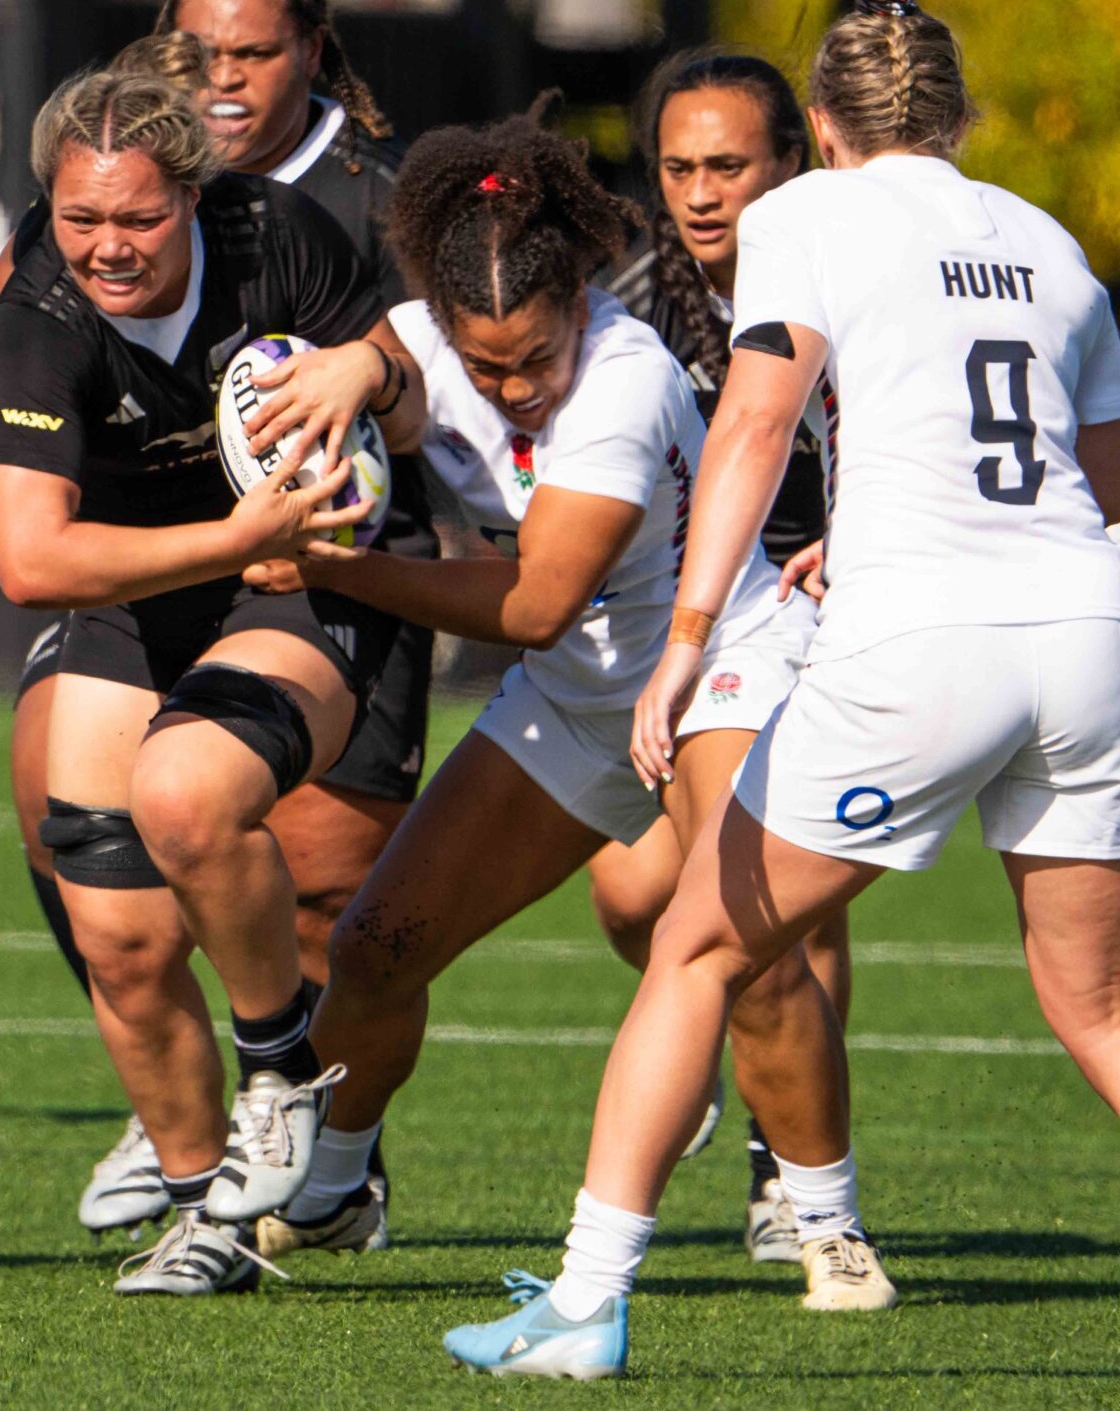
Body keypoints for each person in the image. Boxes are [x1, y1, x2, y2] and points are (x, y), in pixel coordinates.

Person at [441, 0, 1120, 1396]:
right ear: (961, 117)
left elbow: (752, 426)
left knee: (694, 944)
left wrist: (686, 643)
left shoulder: (809, 214)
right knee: (1109, 1003)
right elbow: (1100, 482)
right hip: (1088, 634)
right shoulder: (1051, 243)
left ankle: (584, 1301)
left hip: (928, 640)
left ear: (825, 120)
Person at [242, 115, 867, 1316]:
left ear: (581, 294)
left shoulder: (624, 385)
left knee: (745, 948)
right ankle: (333, 1187)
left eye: (536, 356)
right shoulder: (422, 337)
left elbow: (532, 602)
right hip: (584, 694)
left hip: (718, 661)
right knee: (377, 947)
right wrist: (355, 370)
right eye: (488, 370)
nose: (517, 387)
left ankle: (826, 1225)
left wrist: (325, 565)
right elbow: (390, 359)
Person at [0, 0, 429, 1236]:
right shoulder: (88, 203)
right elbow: (20, 289)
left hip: (335, 555)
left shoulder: (345, 199)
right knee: (87, 839)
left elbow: (430, 372)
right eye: (196, 51)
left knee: (297, 873)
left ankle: (325, 1147)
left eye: (251, 52)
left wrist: (366, 406)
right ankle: (187, 1129)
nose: (221, 77)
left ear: (311, 53)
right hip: (170, 553)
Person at [589, 48, 849, 1265]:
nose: (700, 192)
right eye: (678, 168)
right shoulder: (635, 294)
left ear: (791, 164)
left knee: (782, 907)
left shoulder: (846, 275)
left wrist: (853, 539)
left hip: (826, 612)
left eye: (729, 166)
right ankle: (704, 1054)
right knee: (632, 892)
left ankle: (785, 1179)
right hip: (686, 623)